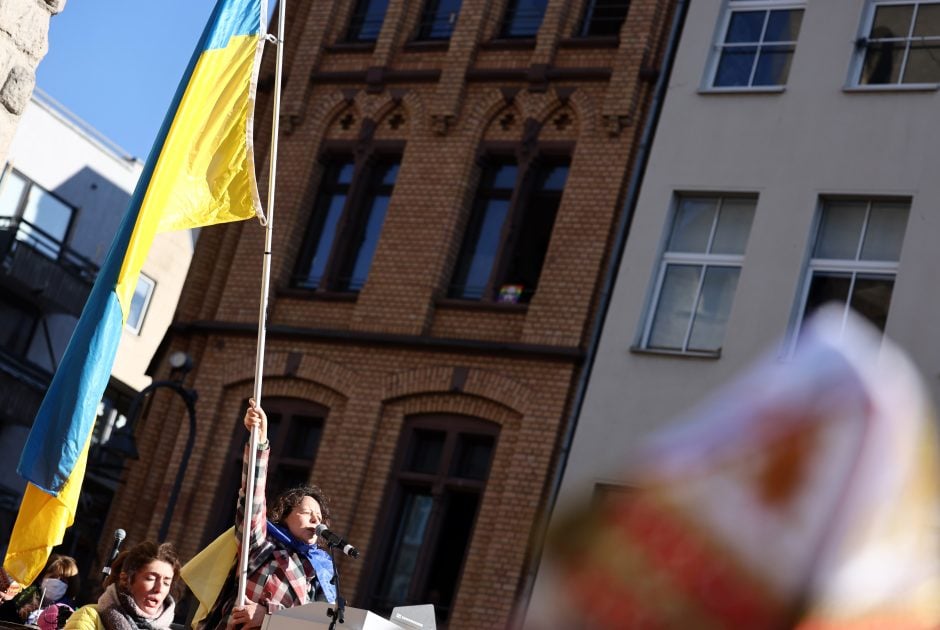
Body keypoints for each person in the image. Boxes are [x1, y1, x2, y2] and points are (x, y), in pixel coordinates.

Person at [198, 400, 335, 630]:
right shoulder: (261, 545)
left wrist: (269, 616)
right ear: (285, 516)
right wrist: (259, 443)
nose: (315, 520)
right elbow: (252, 497)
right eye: (306, 513)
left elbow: (317, 626)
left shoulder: (319, 571)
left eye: (319, 517)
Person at [63, 541, 179, 630]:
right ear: (124, 579)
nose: (159, 589)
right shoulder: (88, 618)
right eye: (151, 578)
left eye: (166, 582)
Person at [14, 554, 81, 626]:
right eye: (53, 577)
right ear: (41, 578)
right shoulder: (19, 601)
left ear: (70, 586)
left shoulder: (74, 616)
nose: (56, 583)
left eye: (63, 580)